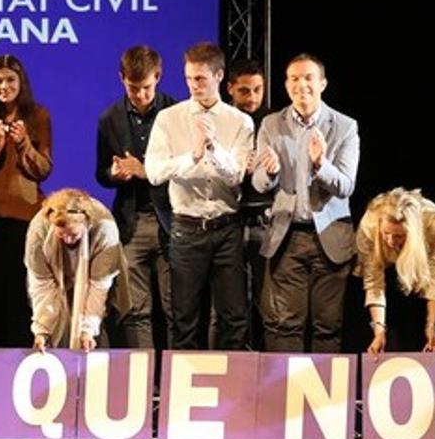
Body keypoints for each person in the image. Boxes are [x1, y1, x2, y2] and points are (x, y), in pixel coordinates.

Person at [145, 42, 254, 350]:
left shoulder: (240, 121)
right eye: (189, 78)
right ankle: (180, 392)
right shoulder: (168, 118)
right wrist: (192, 156)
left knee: (233, 316)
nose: (193, 86)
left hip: (227, 227)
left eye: (201, 79)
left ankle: (235, 391)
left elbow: (235, 176)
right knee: (184, 317)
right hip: (187, 228)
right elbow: (154, 171)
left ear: (219, 76)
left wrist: (212, 147)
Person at [252, 54, 358, 352]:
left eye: (308, 78)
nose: (302, 85)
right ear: (286, 85)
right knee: (284, 326)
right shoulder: (272, 124)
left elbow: (347, 186)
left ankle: (323, 396)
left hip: (330, 238)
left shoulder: (345, 126)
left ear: (322, 83)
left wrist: (320, 164)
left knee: (327, 326)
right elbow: (259, 183)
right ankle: (284, 396)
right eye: (294, 79)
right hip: (287, 236)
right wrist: (270, 174)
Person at [0, 54, 53, 348]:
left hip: (25, 219)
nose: (4, 86)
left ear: (21, 82)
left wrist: (25, 144)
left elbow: (43, 169)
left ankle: (18, 365)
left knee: (20, 295)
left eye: (10, 80)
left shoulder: (38, 116)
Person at [95, 44, 176, 348]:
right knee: (135, 310)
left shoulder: (175, 112)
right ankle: (142, 382)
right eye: (133, 88)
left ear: (158, 76)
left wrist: (145, 170)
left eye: (145, 87)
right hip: (131, 224)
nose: (140, 95)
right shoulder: (109, 119)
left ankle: (173, 381)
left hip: (172, 221)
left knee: (175, 308)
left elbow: (187, 168)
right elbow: (100, 174)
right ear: (121, 79)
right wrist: (114, 174)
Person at [25, 188, 129, 351]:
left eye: (73, 234)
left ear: (86, 222)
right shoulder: (39, 231)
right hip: (59, 277)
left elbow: (98, 287)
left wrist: (87, 330)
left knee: (98, 330)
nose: (67, 239)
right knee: (55, 327)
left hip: (96, 273)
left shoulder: (104, 228)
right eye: (61, 234)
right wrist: (42, 330)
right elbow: (42, 286)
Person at [356, 188, 435, 355]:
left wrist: (431, 325)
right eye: (386, 234)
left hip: (419, 268)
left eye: (398, 236)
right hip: (385, 269)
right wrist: (378, 330)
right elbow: (373, 281)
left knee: (415, 324)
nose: (391, 241)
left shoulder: (432, 221)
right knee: (385, 334)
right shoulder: (369, 223)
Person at [225, 58, 272, 348]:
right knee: (228, 309)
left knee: (269, 305)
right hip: (228, 220)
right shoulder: (221, 122)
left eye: (257, 89)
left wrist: (268, 170)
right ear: (229, 88)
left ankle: (269, 374)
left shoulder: (273, 123)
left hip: (265, 222)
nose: (252, 97)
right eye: (244, 91)